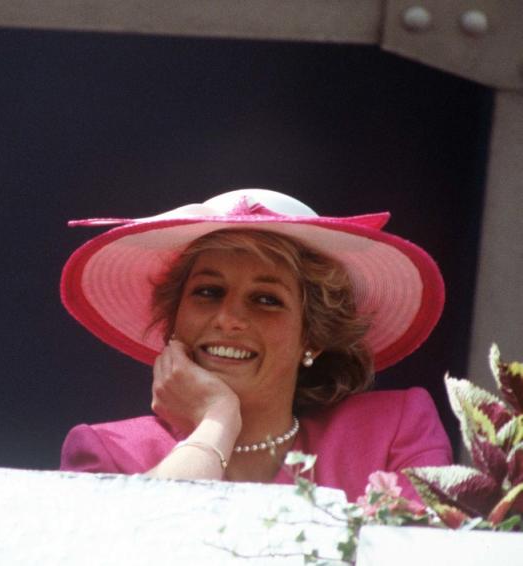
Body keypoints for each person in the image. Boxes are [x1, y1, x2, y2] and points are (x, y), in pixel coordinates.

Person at [58, 188, 452, 500]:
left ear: (312, 335)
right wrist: (216, 420)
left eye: (267, 300)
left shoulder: (393, 433)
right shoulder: (109, 452)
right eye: (208, 292)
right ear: (174, 319)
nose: (228, 318)